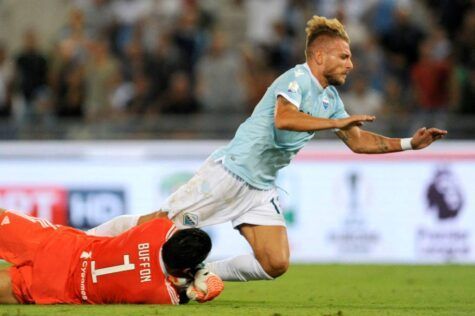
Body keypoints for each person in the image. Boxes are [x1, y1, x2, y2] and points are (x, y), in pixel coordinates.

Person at [87, 16, 447, 282]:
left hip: (259, 187)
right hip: (228, 174)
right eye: (343, 57)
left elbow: (358, 140)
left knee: (275, 263)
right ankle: (83, 244)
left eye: (350, 57)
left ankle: (198, 275)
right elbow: (284, 119)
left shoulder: (330, 98)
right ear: (319, 57)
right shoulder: (296, 78)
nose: (350, 64)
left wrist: (408, 144)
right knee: (157, 226)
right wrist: (335, 123)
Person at [0, 209, 223, 305]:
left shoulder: (156, 231)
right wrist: (196, 282)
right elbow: (181, 295)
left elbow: (166, 222)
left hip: (60, 246)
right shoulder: (160, 294)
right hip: (55, 285)